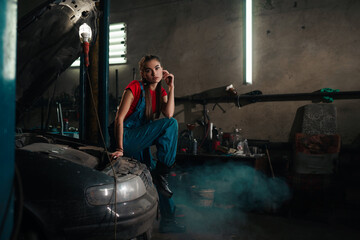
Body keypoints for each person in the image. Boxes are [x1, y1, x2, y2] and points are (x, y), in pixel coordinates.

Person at [110, 55, 185, 233]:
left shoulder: (161, 92)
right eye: (149, 70)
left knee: (159, 182)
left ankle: (168, 221)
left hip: (141, 141)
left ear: (162, 69)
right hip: (127, 137)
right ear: (143, 73)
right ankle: (164, 168)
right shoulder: (134, 88)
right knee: (172, 124)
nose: (154, 73)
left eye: (157, 68)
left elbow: (168, 113)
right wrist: (120, 148)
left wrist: (171, 87)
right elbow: (118, 119)